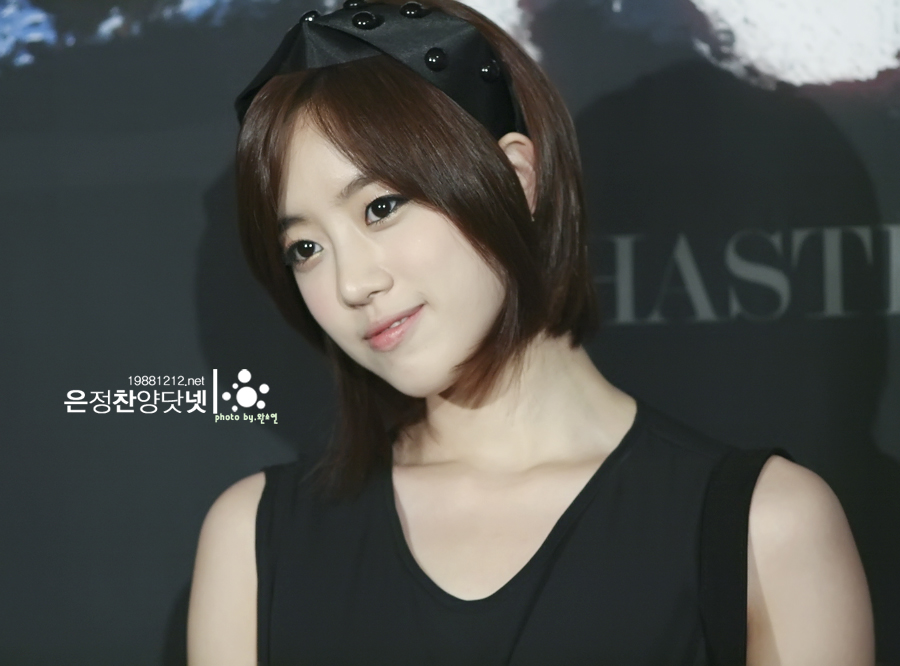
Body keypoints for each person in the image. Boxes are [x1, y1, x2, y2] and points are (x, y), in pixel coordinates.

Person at [186, 1, 875, 664]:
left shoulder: (764, 527)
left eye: (381, 207)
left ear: (515, 179)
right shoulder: (255, 539)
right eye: (304, 248)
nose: (350, 284)